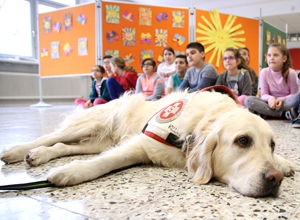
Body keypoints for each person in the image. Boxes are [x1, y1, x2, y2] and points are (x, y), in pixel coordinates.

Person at [244, 43, 300, 119]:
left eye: (275, 55)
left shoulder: (291, 73)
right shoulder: (264, 72)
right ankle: (284, 114)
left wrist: (281, 99)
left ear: (284, 59)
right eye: (269, 55)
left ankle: (267, 113)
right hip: (269, 104)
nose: (271, 58)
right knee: (248, 100)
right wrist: (271, 99)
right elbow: (264, 94)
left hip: (286, 102)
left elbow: (294, 95)